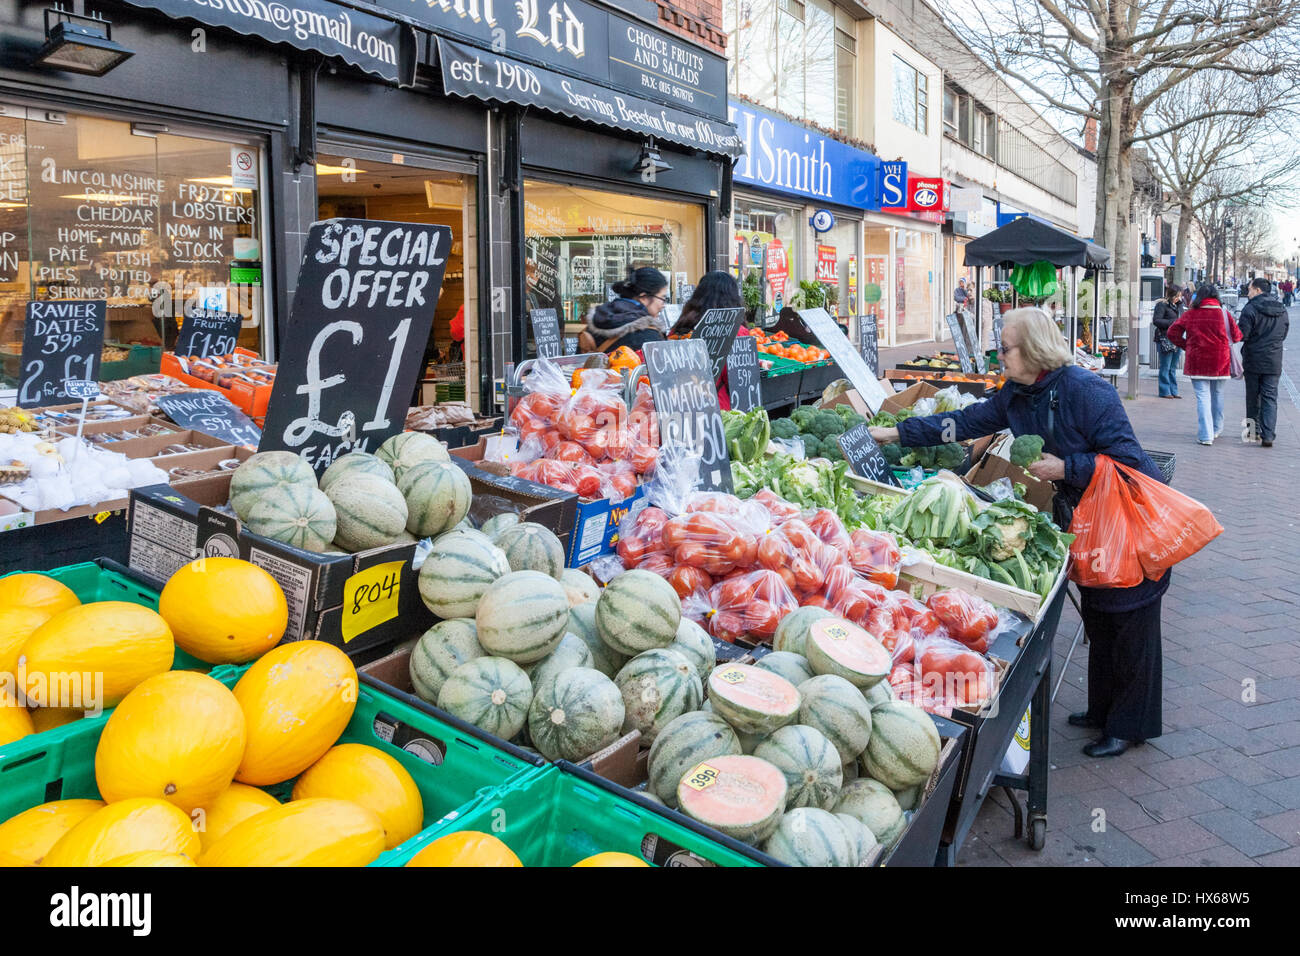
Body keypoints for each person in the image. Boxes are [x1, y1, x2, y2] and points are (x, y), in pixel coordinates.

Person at [869, 307, 1170, 758]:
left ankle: (1128, 726)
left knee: (1130, 619)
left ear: (1032, 350)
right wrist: (896, 433)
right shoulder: (1016, 393)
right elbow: (965, 423)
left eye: (1005, 347)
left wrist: (1068, 466)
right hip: (1086, 518)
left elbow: (1132, 464)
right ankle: (1102, 710)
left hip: (1125, 520)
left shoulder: (1087, 392)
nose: (998, 355)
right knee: (1101, 615)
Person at [1167, 283, 1243, 446]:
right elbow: (1237, 336)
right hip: (1220, 361)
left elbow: (1172, 332)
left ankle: (1205, 434)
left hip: (1198, 360)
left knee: (1203, 396)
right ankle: (1216, 428)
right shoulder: (1224, 313)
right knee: (1218, 394)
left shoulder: (1191, 314)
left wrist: (1186, 345)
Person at [678, 271, 749, 411]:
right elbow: (738, 381)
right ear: (733, 297)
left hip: (684, 408)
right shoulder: (736, 331)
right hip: (719, 412)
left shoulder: (681, 328)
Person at [1236, 276, 1289, 448]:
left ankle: (1252, 433)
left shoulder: (1250, 309)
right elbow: (1284, 333)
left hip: (1253, 359)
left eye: (1250, 289)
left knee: (1252, 397)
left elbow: (1243, 334)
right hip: (1273, 359)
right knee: (1270, 397)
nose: (1248, 292)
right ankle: (1268, 435)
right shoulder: (1281, 309)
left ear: (1258, 290)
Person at [578, 267, 669, 354]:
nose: (663, 305)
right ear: (643, 297)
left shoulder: (598, 319)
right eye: (662, 298)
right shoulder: (648, 334)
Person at [1151, 284, 1184, 400]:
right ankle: (1165, 391)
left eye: (1179, 296)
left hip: (1177, 339)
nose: (1178, 298)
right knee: (1165, 366)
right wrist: (1173, 322)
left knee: (1173, 367)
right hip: (1165, 339)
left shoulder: (1180, 306)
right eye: (1176, 296)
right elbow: (1156, 321)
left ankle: (1174, 390)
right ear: (1171, 295)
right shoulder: (1162, 305)